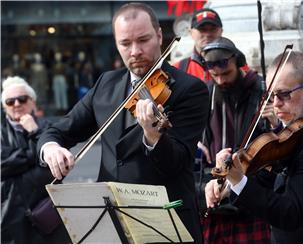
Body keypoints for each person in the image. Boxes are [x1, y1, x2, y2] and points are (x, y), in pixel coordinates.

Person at [38, 3, 209, 243]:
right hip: (111, 223)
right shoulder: (106, 84)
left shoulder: (190, 89)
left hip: (166, 221)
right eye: (125, 44)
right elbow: (59, 130)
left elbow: (178, 161)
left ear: (159, 36)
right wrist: (51, 148)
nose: (135, 51)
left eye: (143, 40)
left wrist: (152, 136)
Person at [205, 51, 303, 243]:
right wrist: (228, 186)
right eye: (271, 95)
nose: (275, 104)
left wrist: (238, 182)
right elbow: (269, 176)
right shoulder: (297, 132)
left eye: (283, 94)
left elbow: (290, 213)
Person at [198, 37, 273, 243]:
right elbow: (200, 149)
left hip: (251, 199)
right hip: (214, 198)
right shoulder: (206, 92)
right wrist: (212, 180)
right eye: (215, 75)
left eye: (226, 73)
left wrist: (274, 120)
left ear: (239, 63)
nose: (221, 81)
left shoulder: (261, 90)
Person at [1, 76, 70, 244]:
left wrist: (34, 132)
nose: (17, 104)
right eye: (10, 101)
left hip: (47, 212)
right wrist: (37, 153)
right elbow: (3, 165)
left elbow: (55, 169)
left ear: (33, 102)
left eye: (22, 99)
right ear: (5, 107)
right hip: (9, 214)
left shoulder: (48, 129)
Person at [173, 8, 223, 83]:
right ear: (190, 32)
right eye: (202, 29)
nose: (208, 34)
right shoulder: (178, 68)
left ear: (221, 31)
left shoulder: (234, 65)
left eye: (213, 29)